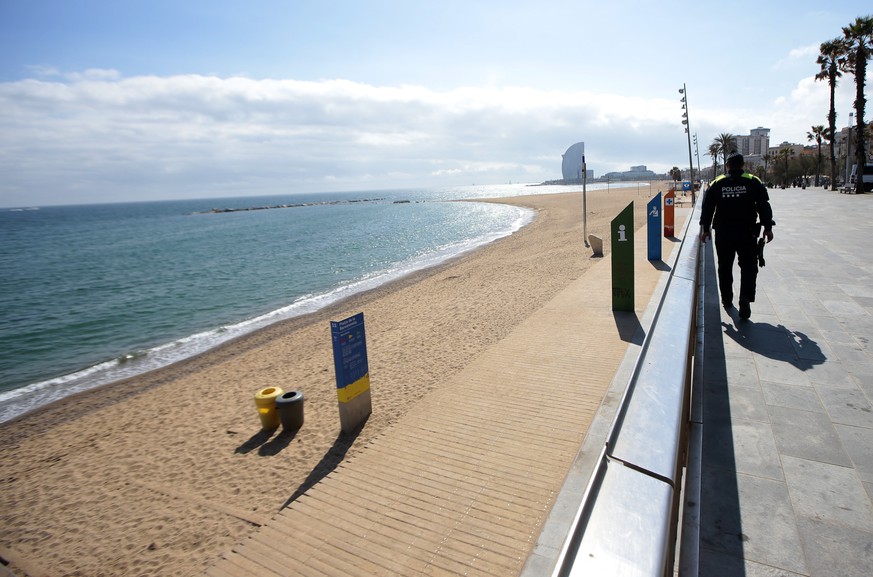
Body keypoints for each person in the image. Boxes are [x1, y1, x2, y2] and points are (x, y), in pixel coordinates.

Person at [699, 151, 774, 319]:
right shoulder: (753, 181)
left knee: (725, 267)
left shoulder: (718, 182)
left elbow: (707, 208)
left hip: (724, 233)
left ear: (727, 166)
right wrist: (768, 228)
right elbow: (764, 206)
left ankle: (726, 300)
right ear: (742, 165)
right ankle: (745, 298)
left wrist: (705, 230)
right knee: (748, 266)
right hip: (747, 233)